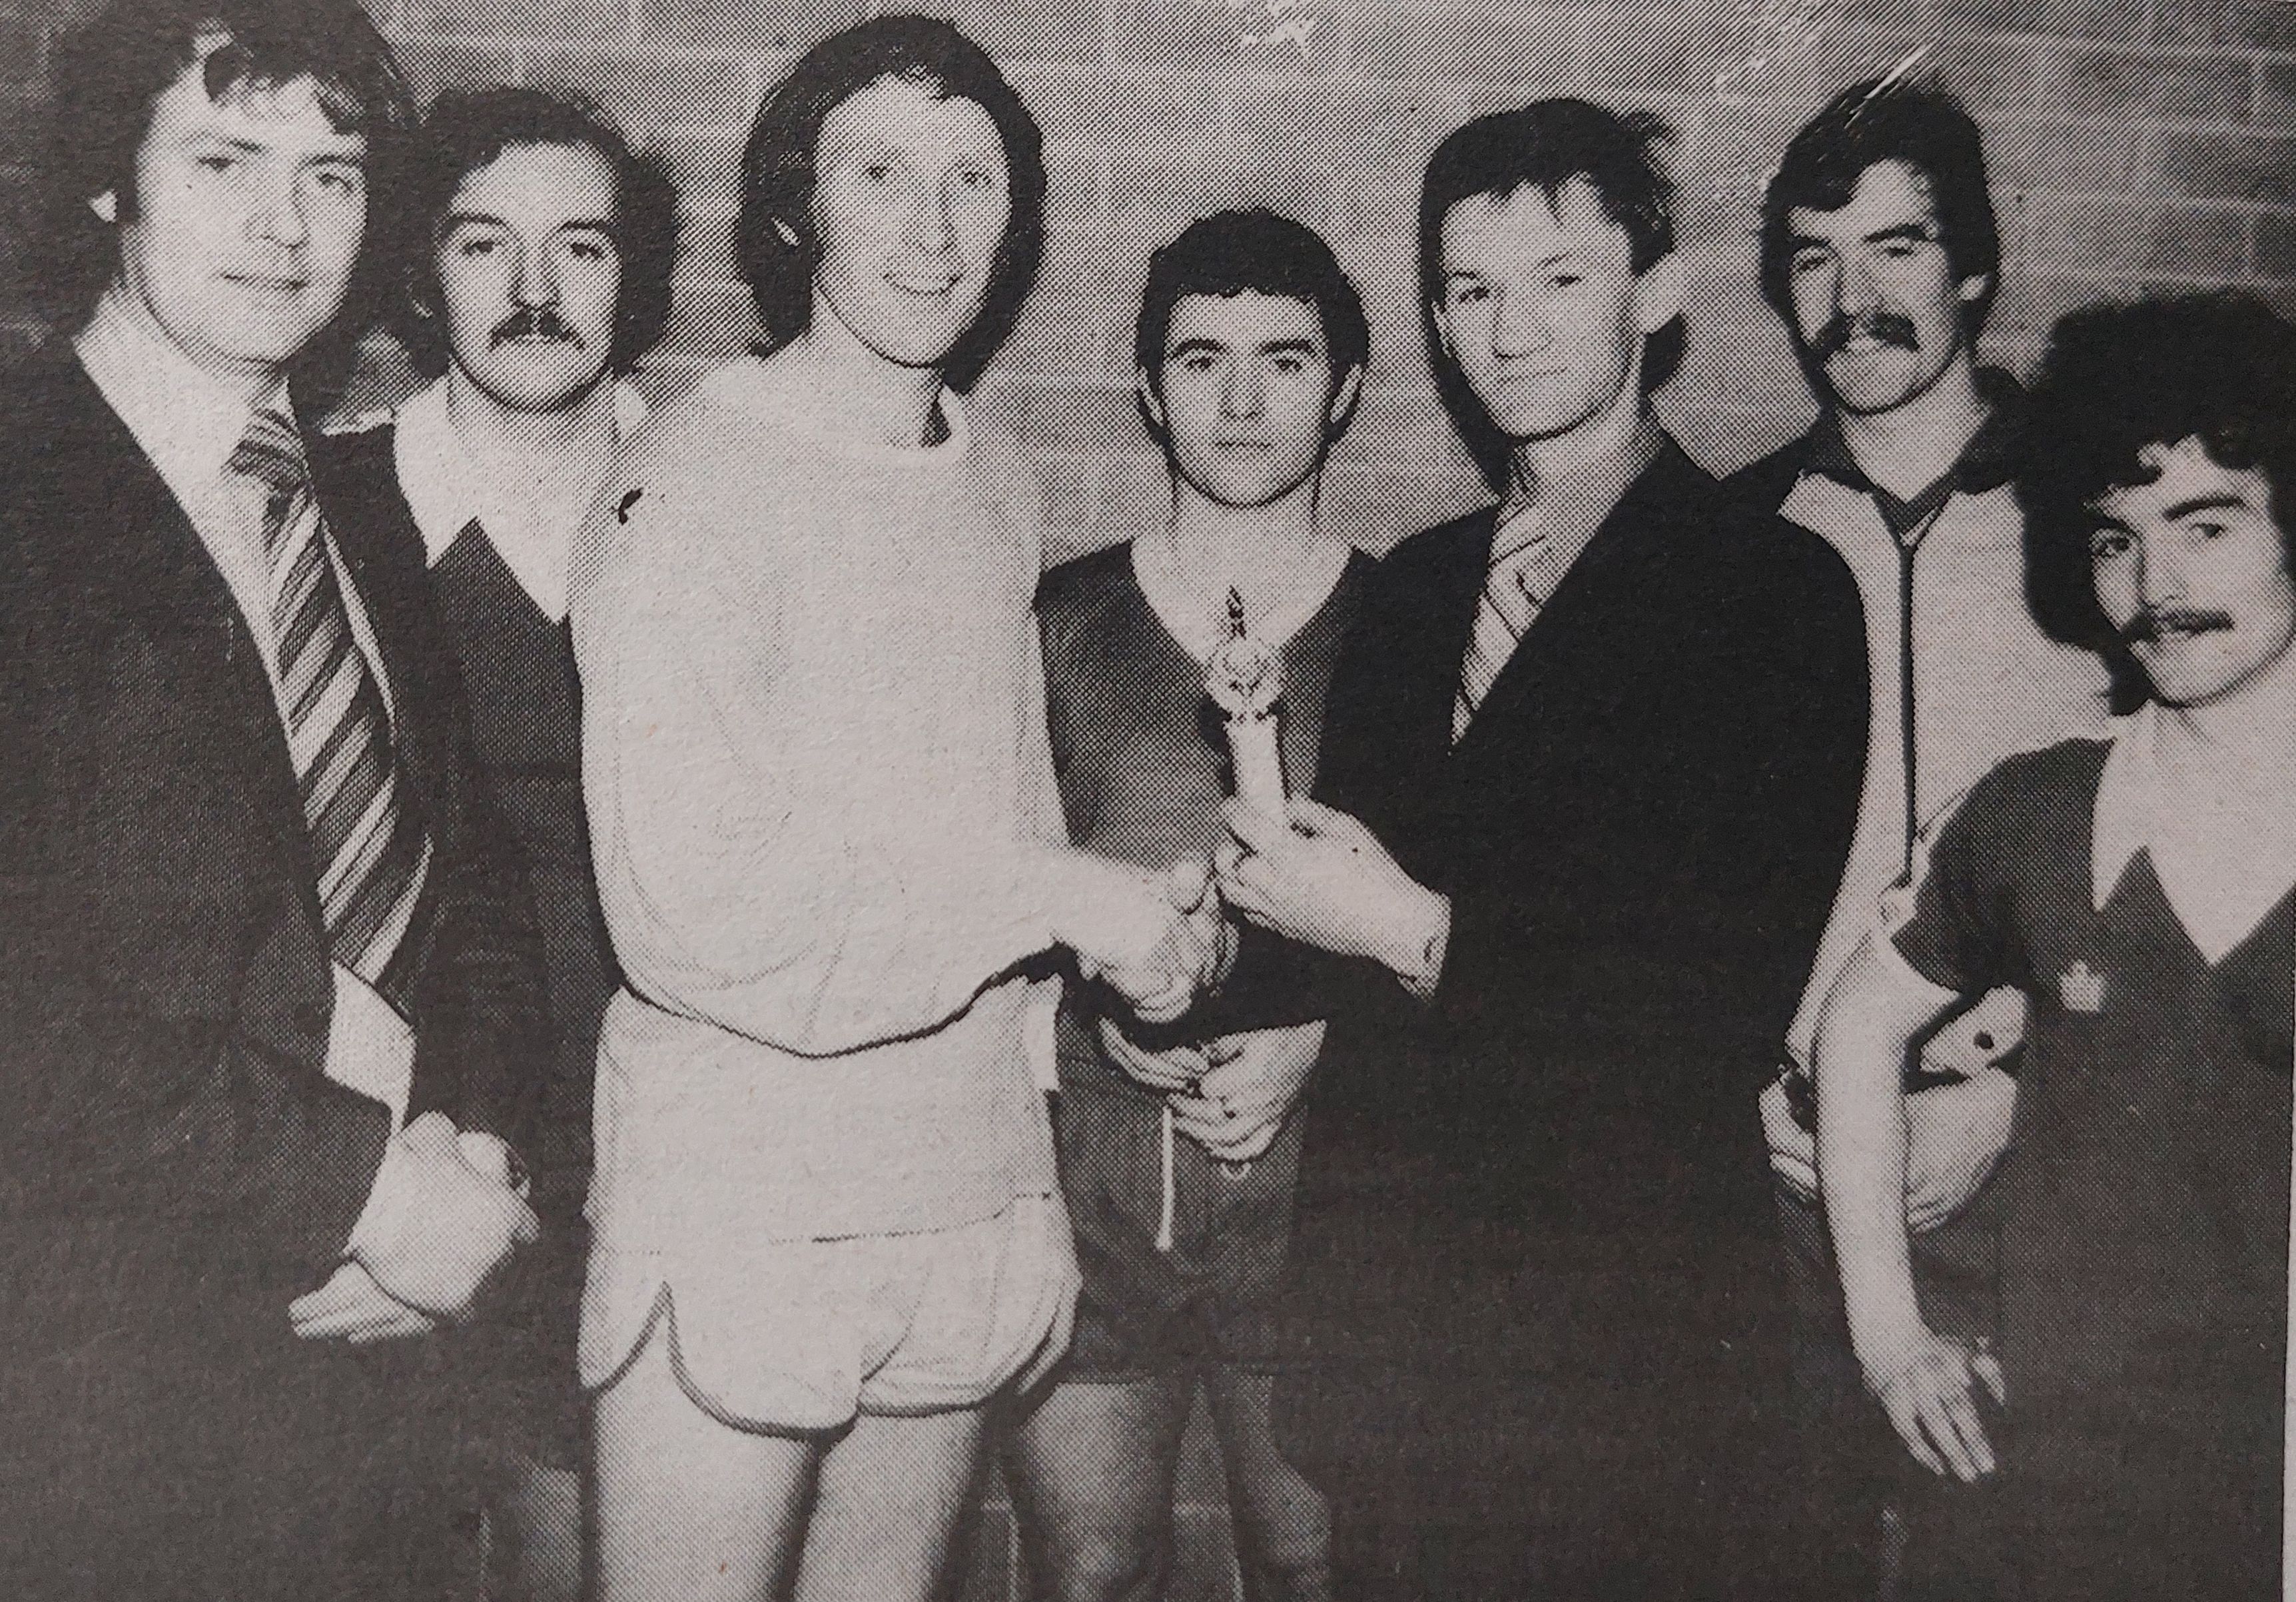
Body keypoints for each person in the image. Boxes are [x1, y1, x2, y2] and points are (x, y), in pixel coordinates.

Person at [571, 19, 1224, 1602]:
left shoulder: (991, 473)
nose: (931, 230)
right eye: (882, 175)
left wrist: (1064, 1078)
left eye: (971, 180)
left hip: (952, 1183)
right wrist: (1064, 900)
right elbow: (695, 915)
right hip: (745, 1192)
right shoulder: (687, 485)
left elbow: (993, 811)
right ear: (797, 209)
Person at [1212, 99, 1870, 1597]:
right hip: (1405, 1361)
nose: (1505, 333)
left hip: (1624, 1362)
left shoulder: (1771, 592)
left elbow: (1714, 1000)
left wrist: (1407, 928)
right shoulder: (1419, 590)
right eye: (1467, 290)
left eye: (1557, 280)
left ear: (1654, 293)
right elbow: (1335, 936)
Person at [0, 0, 547, 1595]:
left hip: (372, 1392)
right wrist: (358, 1186)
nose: (284, 225)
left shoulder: (347, 506)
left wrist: (474, 1159)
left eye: (334, 172)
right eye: (227, 158)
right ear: (114, 178)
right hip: (92, 1401)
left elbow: (477, 896)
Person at [1816, 290, 2295, 1601]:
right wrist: (1887, 1339)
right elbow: (1854, 1027)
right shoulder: (2035, 810)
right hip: (2057, 1504)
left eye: (2204, 526)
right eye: (2112, 540)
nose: (2156, 588)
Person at [1724, 76, 2116, 1584]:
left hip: (2036, 1158)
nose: (1853, 296)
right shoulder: (1739, 539)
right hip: (1788, 1170)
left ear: (1970, 267)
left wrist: (2024, 1074)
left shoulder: (2097, 526)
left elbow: (2169, 838)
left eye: (1895, 249)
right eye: (1814, 258)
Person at [323, 83, 677, 1601]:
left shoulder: (714, 492)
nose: (534, 293)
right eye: (485, 245)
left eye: (580, 250)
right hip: (414, 1139)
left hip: (672, 1125)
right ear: (423, 269)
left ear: (633, 278)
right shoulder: (328, 505)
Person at [1002, 208, 1372, 1602]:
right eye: (1198, 357)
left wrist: (1323, 1036)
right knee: (1089, 1569)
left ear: (1342, 388)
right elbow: (985, 888)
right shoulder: (1054, 624)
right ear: (1146, 388)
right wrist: (1084, 1018)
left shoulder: (1406, 633)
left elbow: (1456, 921)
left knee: (1308, 1560)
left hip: (1322, 1183)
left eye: (1282, 359)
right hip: (1095, 1172)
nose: (1237, 397)